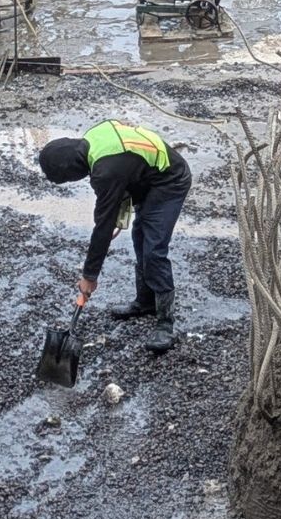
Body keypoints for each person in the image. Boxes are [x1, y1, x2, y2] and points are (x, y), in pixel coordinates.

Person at [37, 120, 192, 353]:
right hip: (149, 178)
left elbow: (102, 227)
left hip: (170, 181)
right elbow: (128, 167)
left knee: (154, 250)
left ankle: (165, 323)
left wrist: (89, 276)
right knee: (140, 238)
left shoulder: (105, 171)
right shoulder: (93, 139)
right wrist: (118, 210)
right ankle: (145, 302)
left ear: (70, 170)